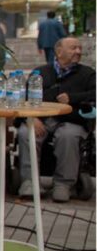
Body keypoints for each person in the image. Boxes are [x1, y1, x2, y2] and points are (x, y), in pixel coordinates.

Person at [17, 36, 95, 201]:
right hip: (42, 119)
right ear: (58, 52)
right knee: (26, 133)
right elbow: (23, 98)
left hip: (72, 120)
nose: (78, 52)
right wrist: (31, 118)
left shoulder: (87, 74)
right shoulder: (41, 73)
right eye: (73, 48)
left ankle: (63, 184)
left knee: (68, 135)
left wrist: (72, 97)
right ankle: (30, 182)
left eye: (79, 48)